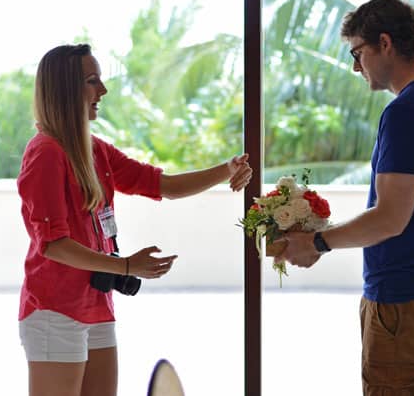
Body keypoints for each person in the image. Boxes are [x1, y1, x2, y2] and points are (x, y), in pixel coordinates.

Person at [17, 43, 252, 396]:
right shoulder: (46, 153)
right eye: (92, 81)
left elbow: (165, 185)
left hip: (96, 304)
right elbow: (53, 245)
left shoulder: (94, 148)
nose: (103, 91)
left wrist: (226, 170)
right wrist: (126, 265)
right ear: (65, 89)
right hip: (56, 311)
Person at [276, 0, 414, 395]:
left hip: (406, 303)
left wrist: (316, 242)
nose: (354, 66)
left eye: (358, 52)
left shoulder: (407, 111)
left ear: (385, 43)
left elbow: (390, 218)